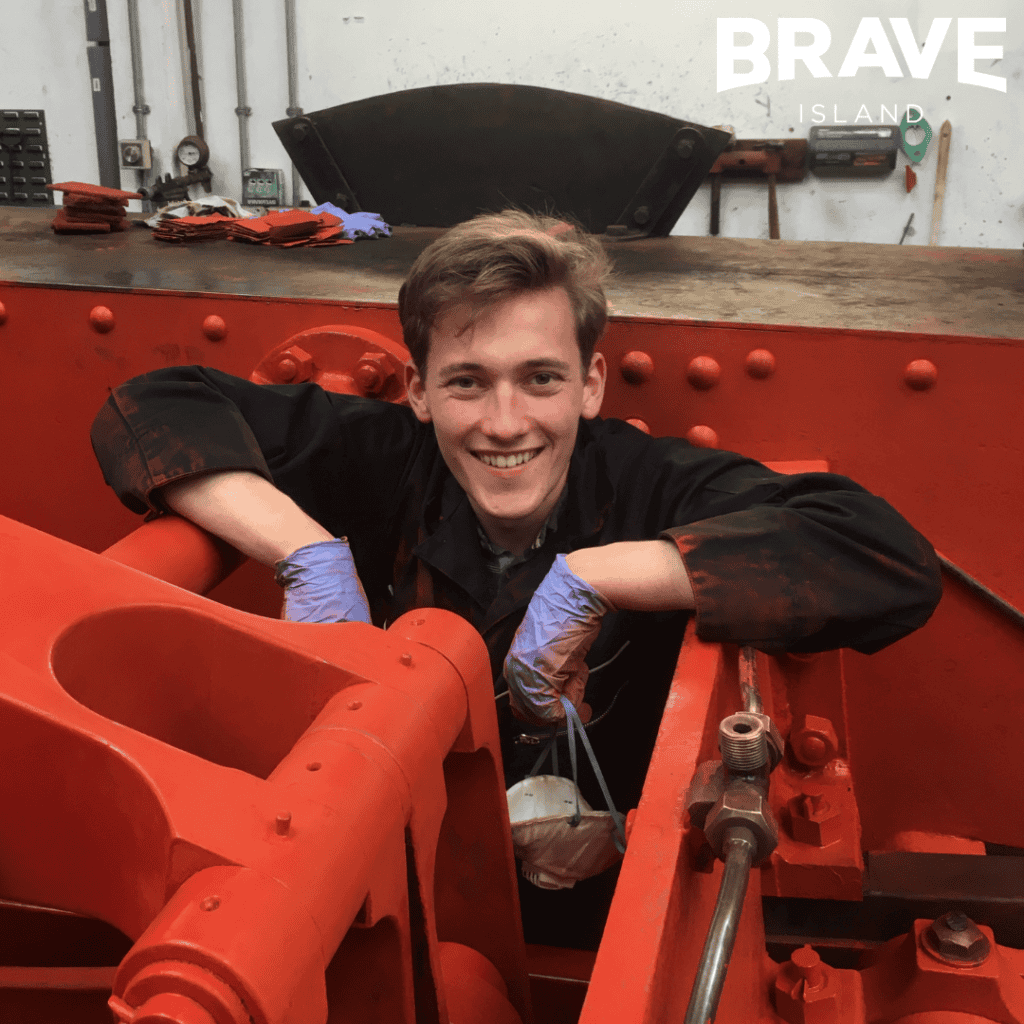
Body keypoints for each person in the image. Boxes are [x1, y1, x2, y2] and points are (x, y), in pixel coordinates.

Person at [90, 210, 942, 947]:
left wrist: (600, 577)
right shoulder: (385, 455)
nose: (505, 424)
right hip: (401, 877)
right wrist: (305, 553)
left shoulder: (650, 482)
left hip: (597, 904)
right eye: (467, 382)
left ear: (591, 385)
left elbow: (885, 557)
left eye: (540, 379)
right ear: (420, 392)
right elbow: (152, 403)